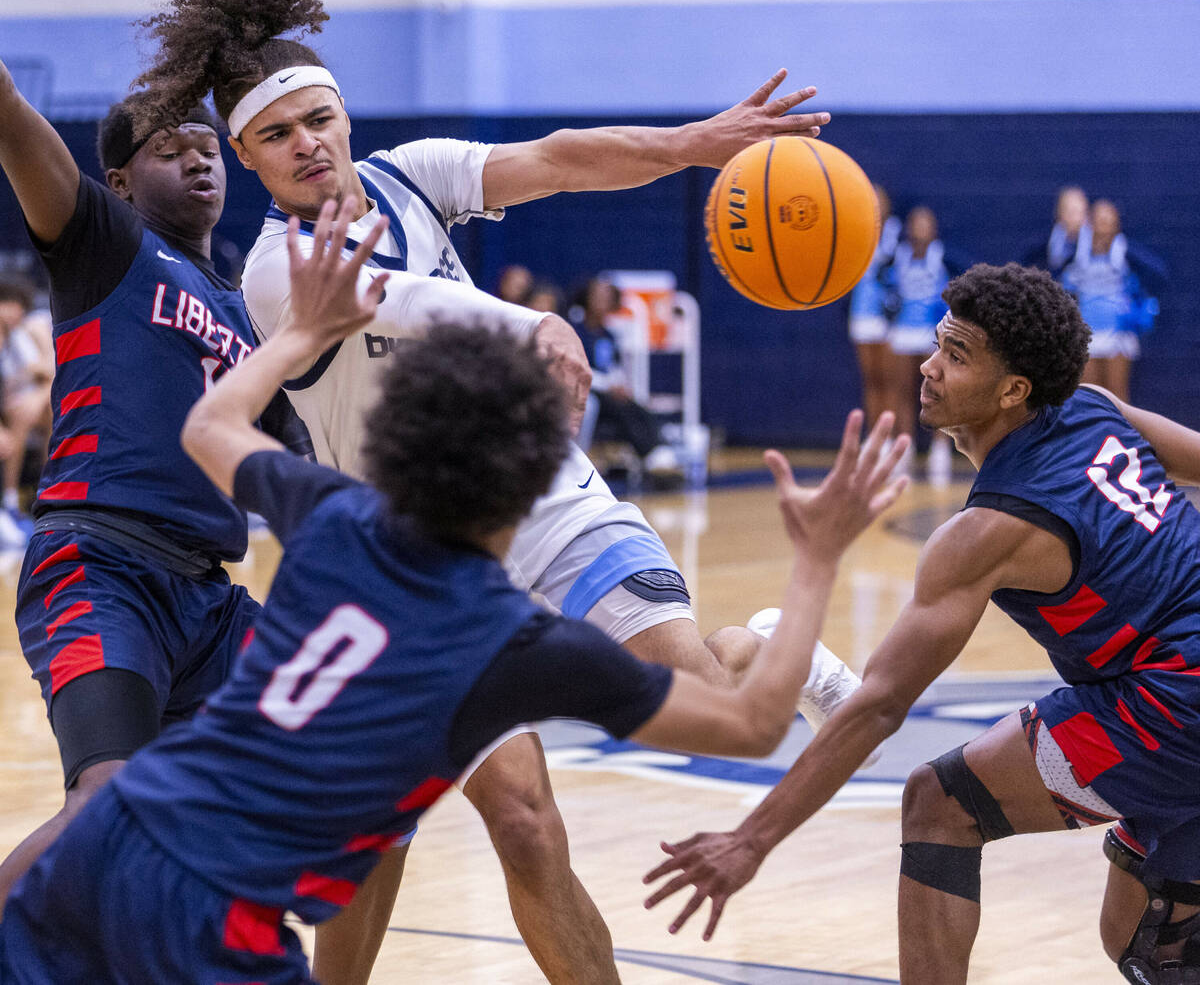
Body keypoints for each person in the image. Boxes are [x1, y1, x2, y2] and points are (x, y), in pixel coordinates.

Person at [134, 0, 867, 985]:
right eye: (275, 135)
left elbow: (562, 157)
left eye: (318, 120)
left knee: (701, 694)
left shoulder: (409, 177)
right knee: (510, 822)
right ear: (248, 158)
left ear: (345, 118)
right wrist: (528, 319)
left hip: (545, 501)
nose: (306, 145)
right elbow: (412, 303)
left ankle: (749, 645)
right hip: (409, 567)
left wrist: (695, 143)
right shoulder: (271, 273)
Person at [0, 196, 909, 984]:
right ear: (529, 480)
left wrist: (307, 335)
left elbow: (211, 424)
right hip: (211, 917)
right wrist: (819, 554)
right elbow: (751, 728)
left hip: (107, 849)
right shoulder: (508, 644)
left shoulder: (334, 516)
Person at [644, 261, 1200, 984]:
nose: (930, 367)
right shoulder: (1095, 407)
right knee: (1145, 937)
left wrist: (751, 840)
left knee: (939, 804)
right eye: (939, 343)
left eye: (957, 355)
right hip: (1165, 693)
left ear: (1013, 390)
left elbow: (875, 705)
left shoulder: (989, 529)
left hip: (1171, 701)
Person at [0, 60, 310, 912]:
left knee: (341, 762)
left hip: (208, 600)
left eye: (207, 145)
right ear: (120, 180)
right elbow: (11, 113)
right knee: (107, 800)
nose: (200, 160)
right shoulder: (104, 240)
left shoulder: (250, 310)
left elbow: (305, 465)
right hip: (99, 563)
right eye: (171, 149)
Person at [880, 205, 969, 485]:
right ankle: (902, 449)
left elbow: (967, 279)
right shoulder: (898, 258)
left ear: (933, 229)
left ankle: (939, 450)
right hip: (902, 333)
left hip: (932, 335)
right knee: (902, 392)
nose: (920, 230)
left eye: (925, 224)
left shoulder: (944, 257)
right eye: (915, 224)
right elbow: (881, 284)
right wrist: (889, 306)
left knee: (938, 393)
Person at [1061, 198, 1167, 403]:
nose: (1104, 227)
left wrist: (1137, 301)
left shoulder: (1126, 252)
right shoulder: (1076, 252)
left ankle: (1120, 434)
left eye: (1109, 221)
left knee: (1117, 394)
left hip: (1117, 333)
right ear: (1090, 223)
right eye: (1100, 220)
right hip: (1087, 331)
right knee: (1087, 393)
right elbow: (1054, 271)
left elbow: (1158, 273)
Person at [571, 275, 678, 475]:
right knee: (617, 407)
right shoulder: (576, 330)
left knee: (636, 406)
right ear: (586, 298)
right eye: (597, 296)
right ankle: (649, 454)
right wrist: (607, 386)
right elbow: (575, 367)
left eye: (607, 296)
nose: (602, 301)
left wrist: (619, 385)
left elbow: (612, 366)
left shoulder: (607, 335)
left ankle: (659, 453)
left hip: (607, 391)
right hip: (584, 391)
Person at [0, 275, 52, 549]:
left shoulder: (31, 327)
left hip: (27, 413)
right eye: (6, 304)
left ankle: (48, 493)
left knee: (51, 406)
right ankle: (9, 501)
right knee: (22, 411)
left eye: (16, 304)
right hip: (10, 416)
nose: (12, 311)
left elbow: (52, 372)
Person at [847, 183, 901, 431]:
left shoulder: (899, 234)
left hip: (890, 316)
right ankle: (875, 438)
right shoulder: (856, 231)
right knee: (871, 381)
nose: (877, 206)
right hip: (861, 312)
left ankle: (892, 438)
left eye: (881, 201)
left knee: (892, 381)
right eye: (873, 201)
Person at [1023, 184, 1089, 277]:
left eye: (1080, 212)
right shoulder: (1041, 248)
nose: (1076, 218)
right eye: (1071, 212)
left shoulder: (1096, 247)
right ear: (1059, 213)